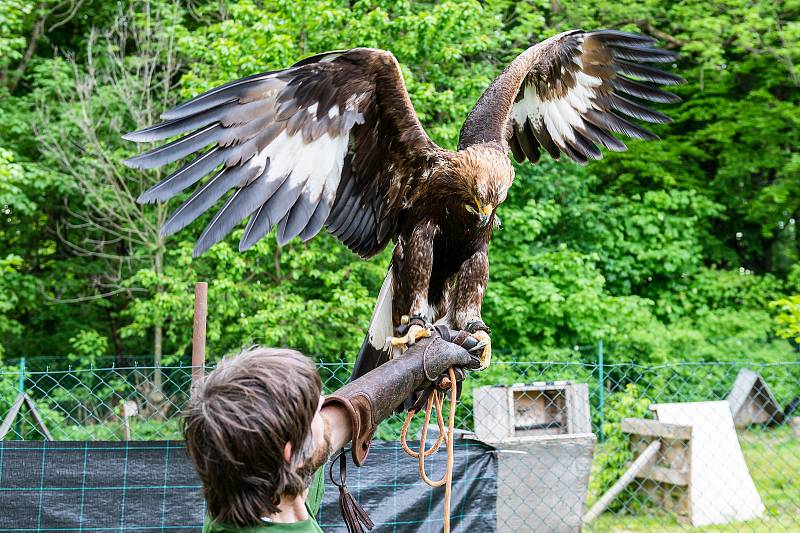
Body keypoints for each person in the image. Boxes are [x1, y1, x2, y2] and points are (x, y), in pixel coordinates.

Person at [182, 328, 480, 532]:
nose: (324, 403)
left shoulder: (238, 487)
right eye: (314, 409)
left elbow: (339, 420)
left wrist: (418, 365)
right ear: (293, 453)